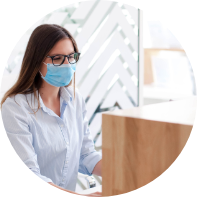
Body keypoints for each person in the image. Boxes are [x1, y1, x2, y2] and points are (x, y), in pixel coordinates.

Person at [0, 24, 102, 196]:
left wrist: (124, 169)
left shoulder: (75, 98)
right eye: (57, 58)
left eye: (71, 57)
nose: (67, 64)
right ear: (36, 61)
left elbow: (86, 155)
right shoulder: (15, 108)